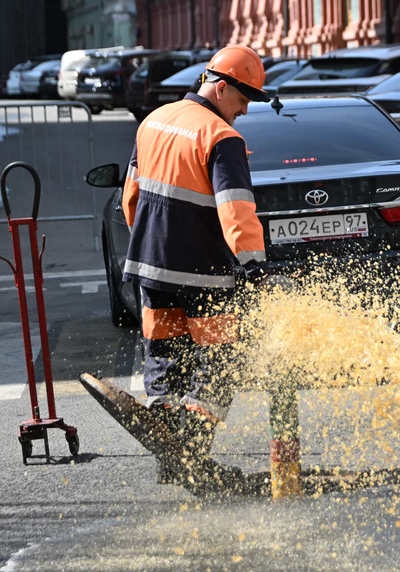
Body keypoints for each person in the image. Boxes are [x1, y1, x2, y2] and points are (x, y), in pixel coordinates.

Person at [121, 44, 271, 485]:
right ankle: (191, 448)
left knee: (165, 355)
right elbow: (236, 208)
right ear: (221, 88)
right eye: (243, 102)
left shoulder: (153, 121)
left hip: (150, 265)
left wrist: (148, 246)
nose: (243, 112)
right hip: (203, 272)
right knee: (222, 359)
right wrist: (254, 265)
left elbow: (131, 196)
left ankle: (168, 447)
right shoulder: (221, 138)